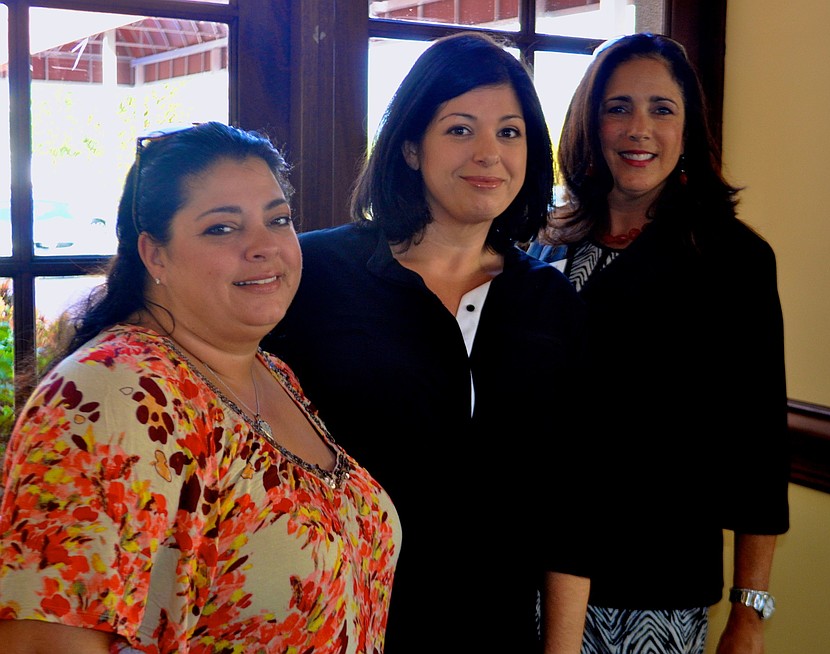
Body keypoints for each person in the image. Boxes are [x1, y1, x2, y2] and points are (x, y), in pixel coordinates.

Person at [0, 122, 401, 654]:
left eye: (278, 219)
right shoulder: (107, 395)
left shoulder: (270, 373)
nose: (264, 247)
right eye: (222, 228)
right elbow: (39, 640)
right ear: (154, 254)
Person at [261, 31, 591, 654]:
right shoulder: (316, 274)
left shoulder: (551, 302)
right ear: (411, 147)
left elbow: (569, 504)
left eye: (510, 132)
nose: (489, 154)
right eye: (460, 129)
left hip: (495, 630)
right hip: (338, 627)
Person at [527, 33, 790, 654]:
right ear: (591, 123)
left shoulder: (732, 258)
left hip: (652, 587)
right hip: (530, 570)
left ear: (688, 128)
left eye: (660, 109)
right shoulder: (547, 241)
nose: (637, 129)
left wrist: (748, 616)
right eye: (617, 108)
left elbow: (760, 447)